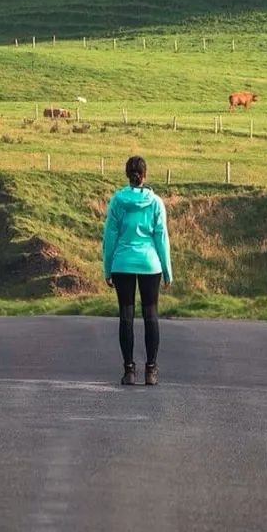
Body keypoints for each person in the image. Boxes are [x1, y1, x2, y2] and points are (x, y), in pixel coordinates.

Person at [102, 155, 173, 386]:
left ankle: (129, 370)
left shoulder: (117, 201)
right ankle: (151, 370)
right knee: (150, 314)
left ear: (127, 175)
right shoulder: (155, 203)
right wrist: (167, 269)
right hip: (149, 264)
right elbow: (161, 237)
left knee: (126, 315)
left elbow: (110, 237)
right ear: (145, 175)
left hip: (122, 262)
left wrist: (107, 268)